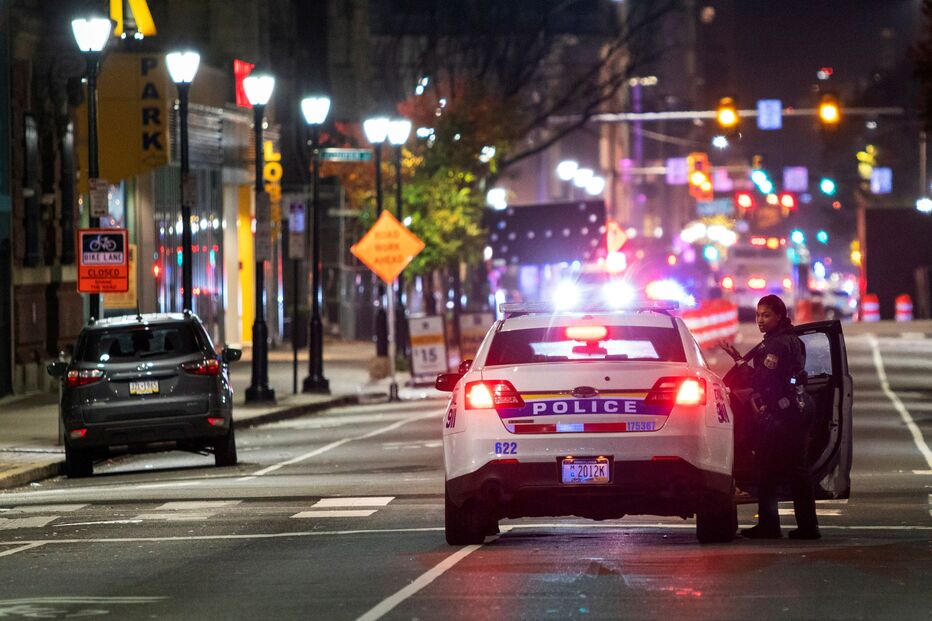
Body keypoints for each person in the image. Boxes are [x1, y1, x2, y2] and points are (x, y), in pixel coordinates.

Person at [720, 294, 820, 540]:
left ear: (779, 316)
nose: (760, 320)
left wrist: (743, 370)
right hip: (796, 410)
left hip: (782, 415)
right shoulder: (792, 340)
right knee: (797, 471)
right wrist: (739, 359)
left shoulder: (776, 345)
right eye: (758, 315)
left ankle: (770, 526)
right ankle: (808, 527)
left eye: (766, 315)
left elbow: (763, 380)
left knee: (767, 472)